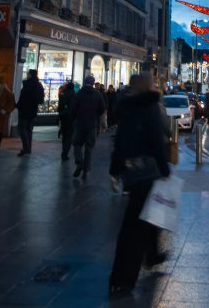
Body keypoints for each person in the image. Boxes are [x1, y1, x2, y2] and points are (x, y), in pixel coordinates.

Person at [109, 74, 170, 294]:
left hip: (131, 171)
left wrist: (115, 170)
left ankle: (150, 257)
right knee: (136, 226)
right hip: (148, 171)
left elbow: (121, 140)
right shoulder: (150, 107)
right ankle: (123, 279)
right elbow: (157, 141)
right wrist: (164, 169)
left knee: (142, 219)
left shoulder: (126, 108)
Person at [70, 75, 105, 178]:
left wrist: (72, 120)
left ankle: (79, 162)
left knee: (77, 144)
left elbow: (73, 109)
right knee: (89, 147)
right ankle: (86, 168)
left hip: (80, 123)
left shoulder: (79, 94)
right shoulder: (97, 94)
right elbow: (102, 109)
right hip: (92, 124)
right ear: (93, 83)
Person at [16, 69, 45, 157]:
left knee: (22, 128)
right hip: (32, 110)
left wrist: (19, 106)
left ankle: (26, 147)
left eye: (28, 73)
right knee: (28, 129)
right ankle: (28, 147)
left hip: (25, 110)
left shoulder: (28, 85)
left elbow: (23, 98)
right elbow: (40, 100)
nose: (27, 75)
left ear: (31, 75)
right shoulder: (39, 85)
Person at [57, 79, 75, 162]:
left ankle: (64, 151)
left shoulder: (63, 94)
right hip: (71, 118)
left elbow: (60, 107)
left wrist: (61, 115)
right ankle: (65, 152)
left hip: (64, 117)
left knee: (65, 135)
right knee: (69, 135)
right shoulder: (74, 94)